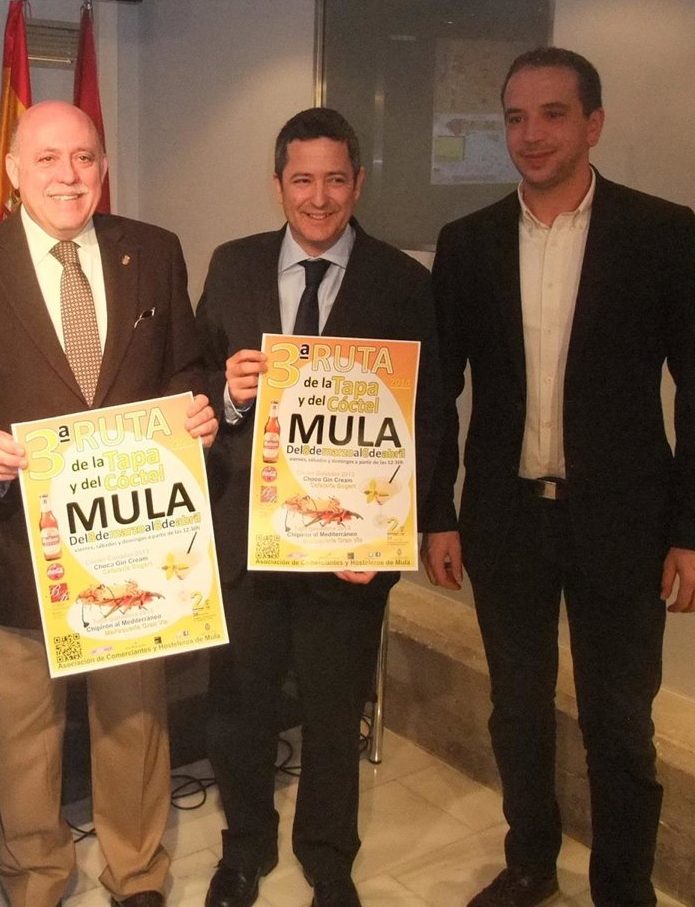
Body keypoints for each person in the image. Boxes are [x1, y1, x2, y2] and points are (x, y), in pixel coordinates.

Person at [421, 47, 695, 907]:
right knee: (516, 709)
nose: (532, 134)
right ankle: (530, 861)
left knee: (620, 723)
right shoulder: (468, 243)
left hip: (625, 523)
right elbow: (436, 389)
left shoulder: (661, 232)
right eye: (516, 118)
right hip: (505, 519)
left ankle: (622, 887)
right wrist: (437, 512)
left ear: (594, 123)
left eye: (553, 114)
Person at [0, 100, 217, 907]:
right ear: (13, 170)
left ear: (103, 167)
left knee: (135, 719)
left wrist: (194, 406)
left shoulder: (154, 250)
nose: (68, 175)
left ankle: (138, 871)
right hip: (14, 540)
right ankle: (37, 877)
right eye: (47, 158)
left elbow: (186, 365)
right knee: (22, 735)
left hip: (132, 545)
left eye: (84, 157)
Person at [195, 107, 443, 907]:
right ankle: (245, 848)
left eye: (336, 178)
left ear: (358, 182)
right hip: (249, 536)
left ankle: (330, 856)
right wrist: (228, 395)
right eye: (302, 179)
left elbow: (429, 416)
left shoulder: (404, 282)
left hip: (350, 547)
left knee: (336, 713)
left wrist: (395, 534)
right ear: (277, 184)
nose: (319, 196)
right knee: (241, 708)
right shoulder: (232, 264)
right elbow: (192, 381)